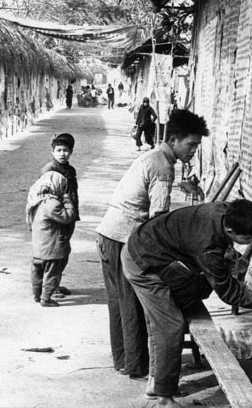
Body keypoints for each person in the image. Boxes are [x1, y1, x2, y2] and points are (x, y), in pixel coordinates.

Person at [121, 199, 252, 407]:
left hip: (157, 249)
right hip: (144, 265)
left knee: (189, 299)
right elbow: (230, 293)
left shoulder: (229, 211)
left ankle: (156, 382)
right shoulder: (208, 246)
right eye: (247, 238)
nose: (250, 242)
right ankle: (164, 398)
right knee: (171, 326)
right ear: (230, 230)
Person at [96, 109, 209, 379]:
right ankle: (137, 367)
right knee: (134, 303)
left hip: (107, 235)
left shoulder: (152, 156)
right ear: (173, 140)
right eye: (190, 145)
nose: (194, 151)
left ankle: (123, 361)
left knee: (119, 303)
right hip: (123, 238)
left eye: (197, 146)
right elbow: (158, 222)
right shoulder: (163, 167)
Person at [26, 171, 76, 307]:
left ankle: (37, 295)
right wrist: (67, 200)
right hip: (52, 248)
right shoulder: (52, 203)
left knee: (37, 272)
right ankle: (46, 298)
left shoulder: (35, 201)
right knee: (52, 273)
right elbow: (68, 217)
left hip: (38, 248)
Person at [40, 133, 80, 297]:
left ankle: (55, 283)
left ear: (71, 152)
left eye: (66, 150)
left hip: (68, 216)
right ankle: (48, 288)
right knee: (53, 254)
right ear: (53, 152)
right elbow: (44, 198)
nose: (62, 153)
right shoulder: (49, 170)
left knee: (63, 252)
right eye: (59, 150)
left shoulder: (70, 170)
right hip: (55, 218)